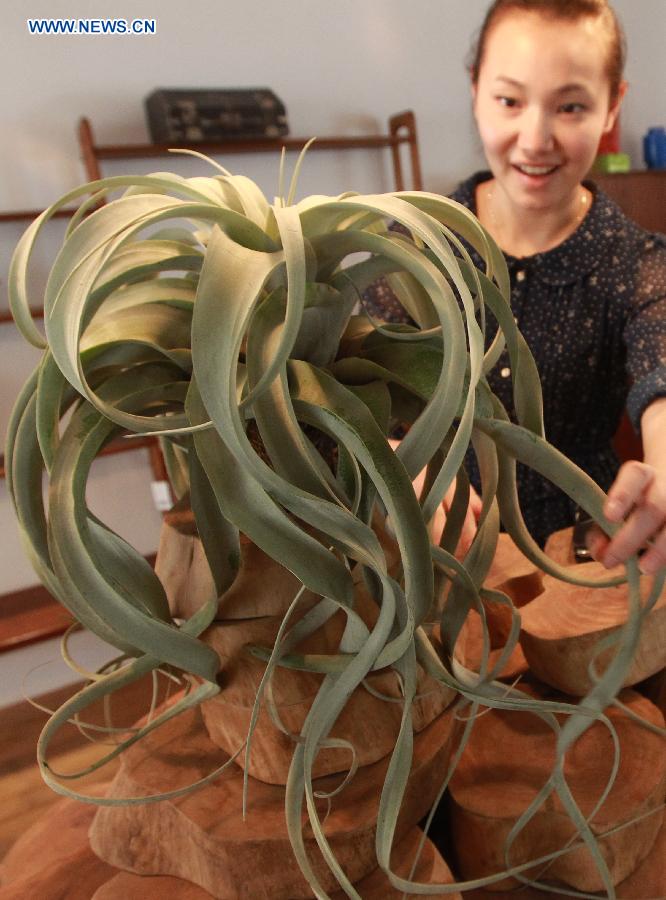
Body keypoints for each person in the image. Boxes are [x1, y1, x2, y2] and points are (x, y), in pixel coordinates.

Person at [370, 0, 666, 572]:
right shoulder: (416, 246)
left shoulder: (638, 262)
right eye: (510, 100)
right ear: (475, 90)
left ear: (612, 108)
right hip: (441, 549)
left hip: (589, 553)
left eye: (571, 106)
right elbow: (357, 391)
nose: (535, 139)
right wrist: (394, 457)